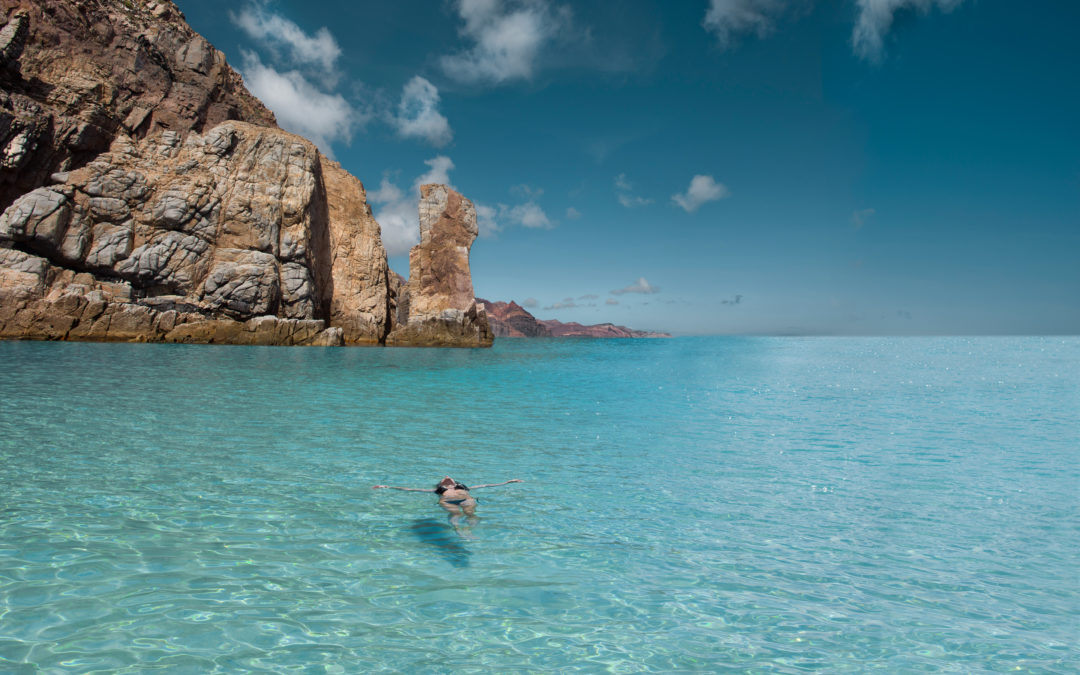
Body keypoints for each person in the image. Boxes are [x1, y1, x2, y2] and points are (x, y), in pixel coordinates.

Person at [373, 476, 523, 521]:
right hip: (447, 501)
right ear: (441, 484)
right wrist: (387, 487)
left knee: (471, 514)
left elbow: (488, 484)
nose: (447, 477)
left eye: (450, 478)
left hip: (467, 499)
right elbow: (411, 489)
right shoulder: (438, 490)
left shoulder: (465, 488)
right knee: (456, 514)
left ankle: (468, 531)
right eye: (445, 479)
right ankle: (458, 528)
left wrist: (507, 482)